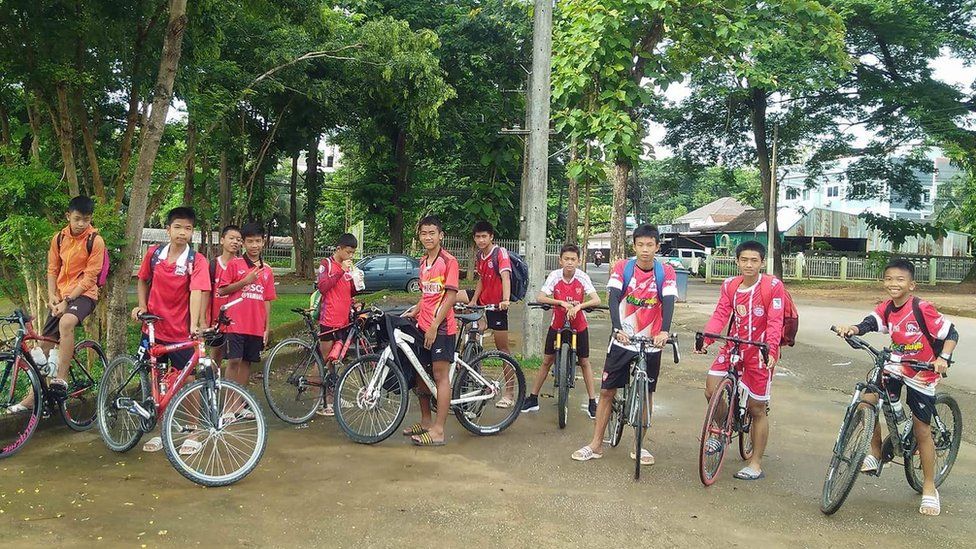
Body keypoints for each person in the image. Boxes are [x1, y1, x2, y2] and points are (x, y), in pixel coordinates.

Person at [834, 258, 958, 516]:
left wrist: (942, 359)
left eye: (900, 280)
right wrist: (853, 328)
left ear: (911, 285)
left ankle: (928, 487)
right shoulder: (887, 308)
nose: (893, 284)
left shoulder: (922, 308)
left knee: (922, 429)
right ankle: (876, 453)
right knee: (869, 398)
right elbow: (870, 323)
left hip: (923, 371)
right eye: (889, 278)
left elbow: (951, 334)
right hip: (896, 364)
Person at [572, 225, 676, 465]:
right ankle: (596, 444)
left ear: (657, 247)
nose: (645, 250)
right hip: (623, 338)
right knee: (607, 390)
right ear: (634, 246)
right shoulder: (623, 268)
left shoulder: (665, 272)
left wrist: (664, 331)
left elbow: (669, 301)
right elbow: (613, 298)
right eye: (641, 245)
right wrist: (617, 328)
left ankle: (639, 445)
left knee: (648, 393)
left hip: (651, 342)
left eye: (650, 245)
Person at [695, 240, 785, 481]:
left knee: (757, 409)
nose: (749, 264)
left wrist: (772, 350)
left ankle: (755, 463)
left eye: (754, 260)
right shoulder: (730, 286)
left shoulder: (773, 286)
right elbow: (721, 313)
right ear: (737, 262)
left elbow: (776, 321)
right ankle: (722, 427)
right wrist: (707, 339)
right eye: (744, 260)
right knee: (711, 389)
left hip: (760, 351)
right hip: (734, 346)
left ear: (762, 262)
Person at [7, 196, 106, 413]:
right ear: (68, 216)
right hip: (61, 296)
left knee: (66, 323)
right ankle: (32, 399)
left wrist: (68, 300)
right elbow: (52, 269)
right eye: (78, 219)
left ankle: (60, 380)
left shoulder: (95, 241)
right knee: (43, 349)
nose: (82, 224)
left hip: (84, 294)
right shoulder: (59, 238)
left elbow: (90, 277)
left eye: (86, 219)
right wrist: (53, 295)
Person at [132, 206, 211, 454]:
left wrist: (195, 325)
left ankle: (193, 431)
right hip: (153, 328)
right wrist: (142, 306)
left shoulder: (196, 260)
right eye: (177, 227)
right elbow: (142, 279)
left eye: (188, 228)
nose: (182, 232)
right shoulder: (154, 254)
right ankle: (159, 431)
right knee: (155, 380)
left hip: (180, 333)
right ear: (167, 230)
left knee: (187, 380)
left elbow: (198, 290)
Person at [522, 244, 601, 418]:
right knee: (547, 361)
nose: (570, 263)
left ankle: (592, 402)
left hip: (579, 325)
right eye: (566, 259)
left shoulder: (582, 277)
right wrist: (560, 303)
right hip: (557, 323)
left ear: (578, 261)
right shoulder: (554, 276)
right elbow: (541, 297)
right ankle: (533, 398)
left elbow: (596, 299)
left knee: (585, 362)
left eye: (573, 259)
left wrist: (579, 306)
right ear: (560, 260)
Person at [402, 216, 459, 447]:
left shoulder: (449, 261)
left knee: (439, 376)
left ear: (441, 235)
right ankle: (426, 422)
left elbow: (450, 296)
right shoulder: (423, 262)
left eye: (432, 233)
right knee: (420, 374)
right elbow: (427, 295)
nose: (428, 237)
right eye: (424, 233)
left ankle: (438, 430)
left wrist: (435, 325)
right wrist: (415, 311)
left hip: (442, 328)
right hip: (423, 326)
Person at [217, 222, 277, 417]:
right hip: (235, 323)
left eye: (258, 241)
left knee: (246, 364)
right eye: (250, 241)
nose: (254, 245)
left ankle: (238, 405)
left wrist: (266, 327)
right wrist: (245, 281)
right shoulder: (235, 264)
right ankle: (226, 407)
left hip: (255, 326)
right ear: (243, 243)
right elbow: (222, 289)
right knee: (233, 361)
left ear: (263, 242)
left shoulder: (267, 270)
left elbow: (267, 300)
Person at [458, 221, 516, 407]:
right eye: (478, 237)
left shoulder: (500, 253)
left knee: (503, 350)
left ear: (491, 237)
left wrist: (505, 300)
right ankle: (466, 364)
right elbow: (482, 279)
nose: (481, 240)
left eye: (484, 236)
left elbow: (505, 277)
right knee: (450, 298)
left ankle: (509, 393)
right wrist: (474, 300)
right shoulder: (479, 256)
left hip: (497, 306)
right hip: (482, 302)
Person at [314, 233, 360, 416]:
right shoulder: (327, 264)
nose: (350, 256)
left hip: (343, 320)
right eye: (348, 252)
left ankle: (333, 395)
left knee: (336, 360)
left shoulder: (348, 268)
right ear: (339, 248)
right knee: (326, 361)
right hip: (328, 319)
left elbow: (349, 291)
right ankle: (323, 399)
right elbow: (323, 287)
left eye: (352, 253)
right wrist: (341, 269)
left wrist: (356, 282)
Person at [207, 225, 242, 367]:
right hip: (216, 321)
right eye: (231, 238)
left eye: (239, 239)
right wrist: (206, 319)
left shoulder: (243, 266)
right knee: (215, 358)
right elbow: (206, 294)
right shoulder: (213, 265)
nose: (235, 242)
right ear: (222, 240)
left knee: (236, 360)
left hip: (237, 321)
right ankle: (211, 387)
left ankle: (231, 388)